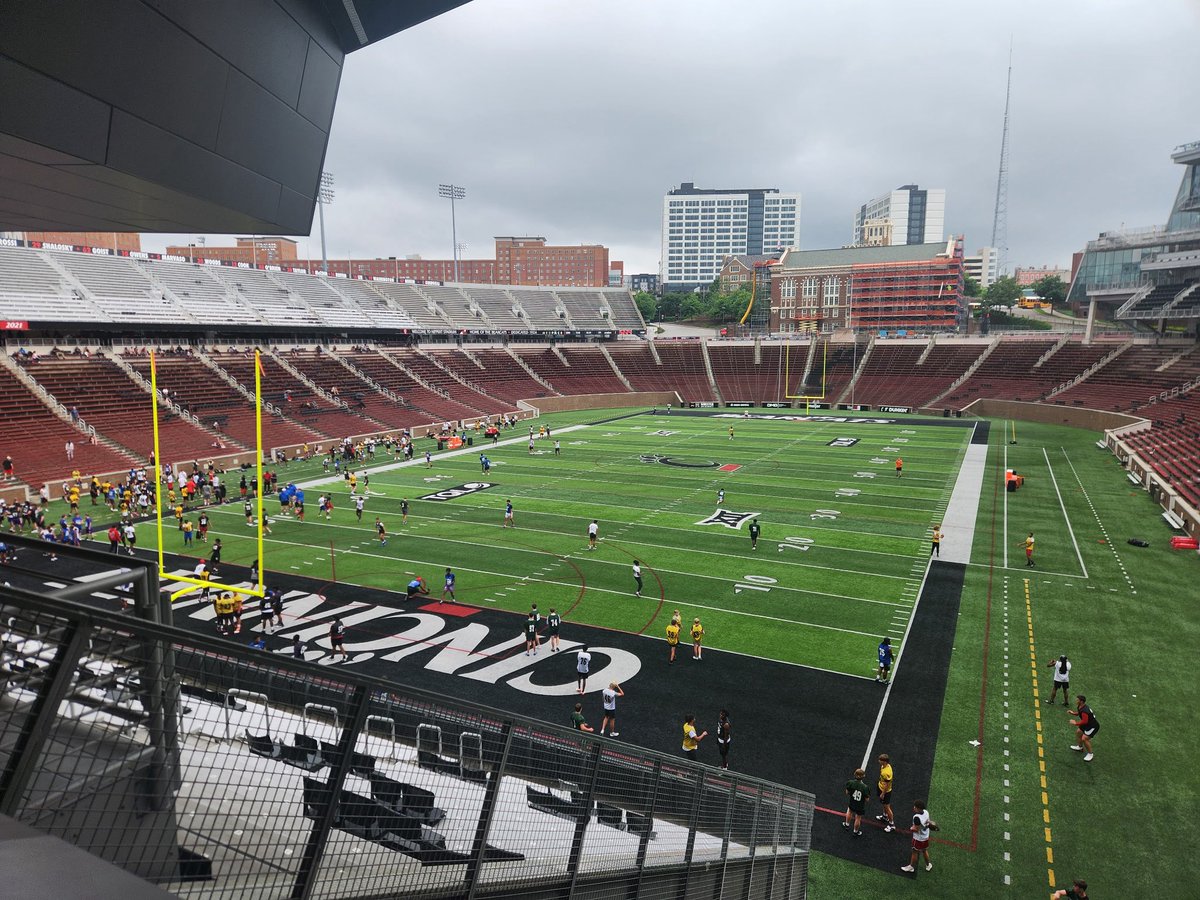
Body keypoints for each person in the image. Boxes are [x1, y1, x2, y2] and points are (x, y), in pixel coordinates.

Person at [900, 799, 937, 874]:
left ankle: (911, 867)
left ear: (919, 808)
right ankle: (928, 865)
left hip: (918, 839)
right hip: (925, 836)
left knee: (915, 852)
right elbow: (928, 823)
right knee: (924, 850)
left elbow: (916, 829)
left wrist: (911, 829)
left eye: (915, 807)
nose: (914, 808)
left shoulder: (916, 817)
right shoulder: (926, 812)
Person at [1069, 694, 1099, 761]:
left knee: (1084, 738)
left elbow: (1085, 721)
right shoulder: (1081, 706)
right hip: (1087, 724)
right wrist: (1073, 713)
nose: (1076, 700)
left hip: (1092, 726)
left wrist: (1075, 723)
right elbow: (1080, 713)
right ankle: (1080, 747)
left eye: (1077, 700)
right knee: (1079, 732)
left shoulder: (1085, 710)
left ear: (1081, 701)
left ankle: (1090, 754)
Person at [843, 768, 871, 836]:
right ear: (863, 776)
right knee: (858, 817)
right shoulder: (865, 787)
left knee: (849, 812)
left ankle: (847, 825)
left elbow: (847, 792)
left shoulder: (850, 782)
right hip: (860, 805)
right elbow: (867, 799)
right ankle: (855, 831)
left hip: (852, 802)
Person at [875, 753, 895, 832]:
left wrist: (883, 793)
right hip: (881, 787)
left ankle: (891, 824)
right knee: (884, 805)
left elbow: (887, 784)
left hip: (885, 791)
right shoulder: (885, 766)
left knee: (887, 807)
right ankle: (885, 816)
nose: (879, 761)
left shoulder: (886, 772)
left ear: (885, 761)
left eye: (880, 760)